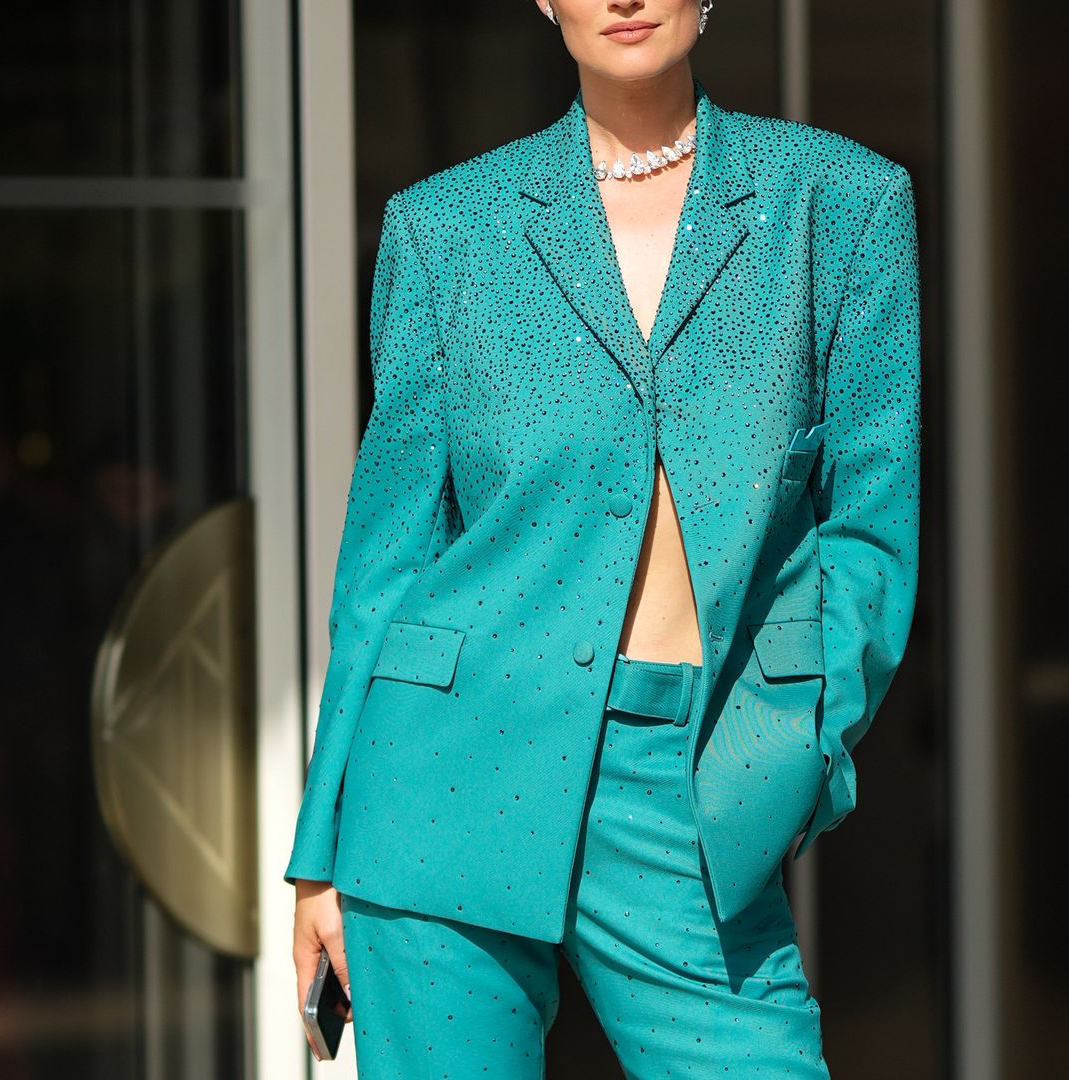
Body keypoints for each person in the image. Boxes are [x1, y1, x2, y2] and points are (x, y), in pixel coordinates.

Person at [288, 0, 922, 1074]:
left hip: (692, 779)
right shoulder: (445, 229)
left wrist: (798, 744)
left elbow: (870, 529)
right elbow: (383, 571)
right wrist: (320, 854)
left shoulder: (840, 203)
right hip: (444, 786)